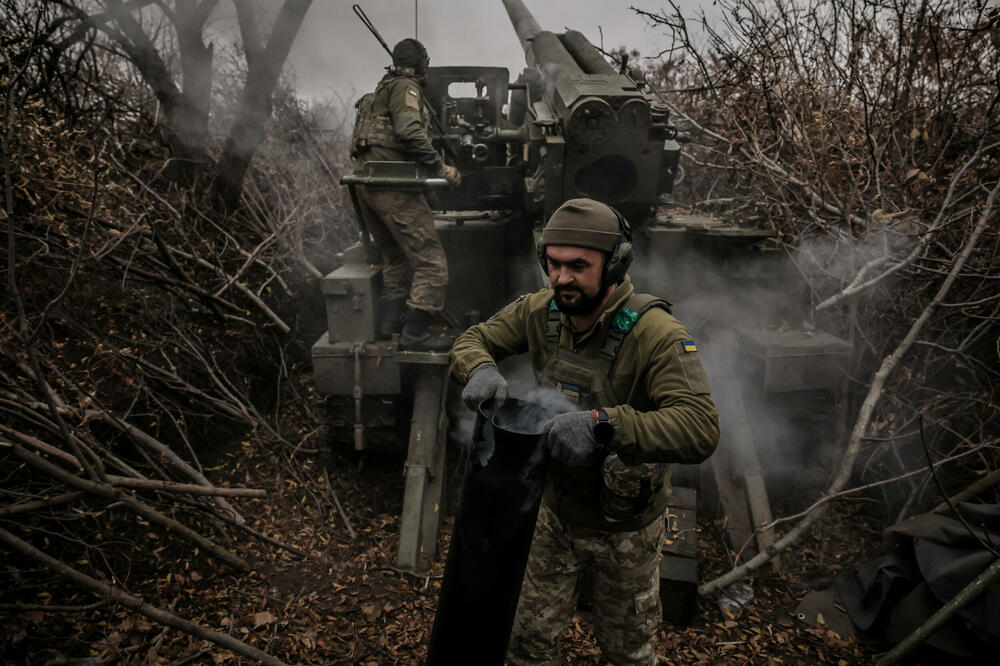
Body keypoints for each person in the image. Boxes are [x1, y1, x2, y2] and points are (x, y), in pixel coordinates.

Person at [449, 198, 720, 665]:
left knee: (627, 653)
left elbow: (699, 427)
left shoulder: (657, 333)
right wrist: (479, 368)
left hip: (625, 530)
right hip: (552, 512)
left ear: (615, 264)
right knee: (527, 645)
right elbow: (472, 339)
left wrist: (604, 425)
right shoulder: (542, 311)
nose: (561, 279)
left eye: (578, 266)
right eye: (553, 264)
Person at [351, 38, 460, 351]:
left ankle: (389, 324)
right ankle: (415, 333)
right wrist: (442, 168)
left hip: (366, 186)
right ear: (421, 63)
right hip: (392, 187)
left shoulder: (379, 92)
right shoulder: (406, 89)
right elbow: (409, 131)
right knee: (432, 263)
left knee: (395, 258)